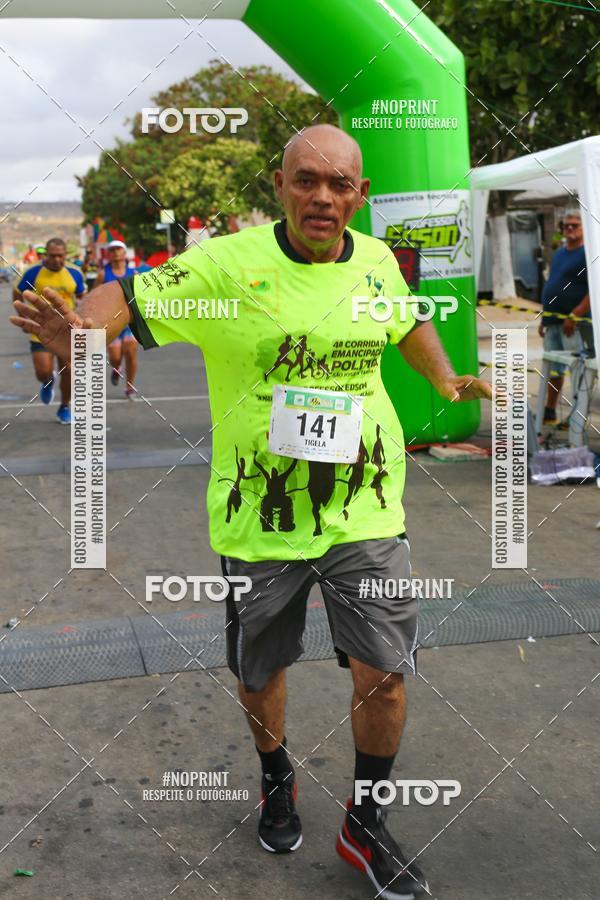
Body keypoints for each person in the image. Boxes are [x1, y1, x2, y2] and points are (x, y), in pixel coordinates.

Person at [11, 124, 492, 900]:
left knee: (387, 675)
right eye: (307, 180)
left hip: (366, 509)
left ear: (360, 195)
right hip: (260, 518)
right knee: (260, 671)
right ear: (280, 184)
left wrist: (444, 381)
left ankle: (364, 824)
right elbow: (125, 295)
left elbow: (408, 318)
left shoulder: (376, 261)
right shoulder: (227, 266)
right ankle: (277, 777)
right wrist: (81, 334)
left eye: (340, 185)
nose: (324, 198)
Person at [13, 237, 85, 424]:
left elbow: (82, 296)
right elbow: (17, 293)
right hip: (41, 330)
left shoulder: (75, 273)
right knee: (43, 371)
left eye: (60, 256)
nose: (56, 260)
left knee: (69, 370)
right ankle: (47, 380)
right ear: (46, 254)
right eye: (52, 256)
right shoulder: (33, 273)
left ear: (65, 255)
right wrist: (23, 315)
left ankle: (65, 407)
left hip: (67, 331)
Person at [539, 209, 592, 428]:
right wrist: (544, 318)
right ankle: (550, 410)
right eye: (566, 226)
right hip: (553, 321)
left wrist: (575, 314)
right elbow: (553, 282)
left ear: (583, 228)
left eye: (574, 225)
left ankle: (577, 416)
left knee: (578, 371)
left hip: (574, 324)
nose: (569, 229)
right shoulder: (560, 252)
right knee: (553, 369)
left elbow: (594, 290)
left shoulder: (588, 253)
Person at [94, 239, 138, 399]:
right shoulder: (103, 274)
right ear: (109, 255)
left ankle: (130, 387)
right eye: (112, 250)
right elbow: (94, 296)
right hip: (110, 322)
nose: (115, 253)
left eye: (118, 249)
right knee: (114, 357)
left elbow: (140, 295)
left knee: (131, 352)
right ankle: (117, 367)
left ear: (124, 253)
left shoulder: (133, 274)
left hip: (129, 321)